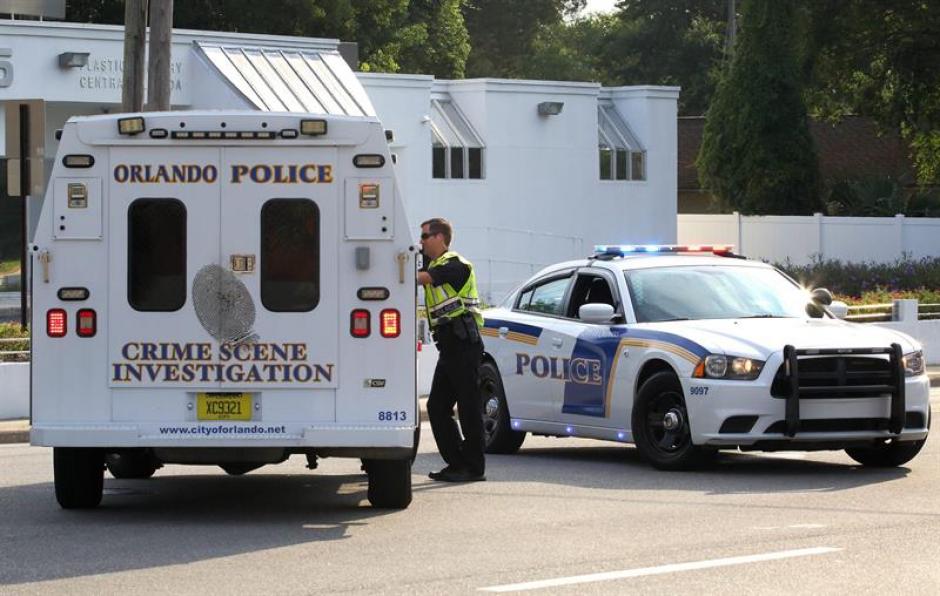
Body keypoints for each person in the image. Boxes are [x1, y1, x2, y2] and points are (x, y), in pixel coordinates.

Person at [417, 217, 486, 482]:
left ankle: (474, 467)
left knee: (468, 406)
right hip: (448, 345)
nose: (421, 241)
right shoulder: (433, 263)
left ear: (439, 237)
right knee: (436, 406)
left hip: (463, 343)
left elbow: (425, 278)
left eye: (424, 236)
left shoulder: (456, 264)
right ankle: (457, 462)